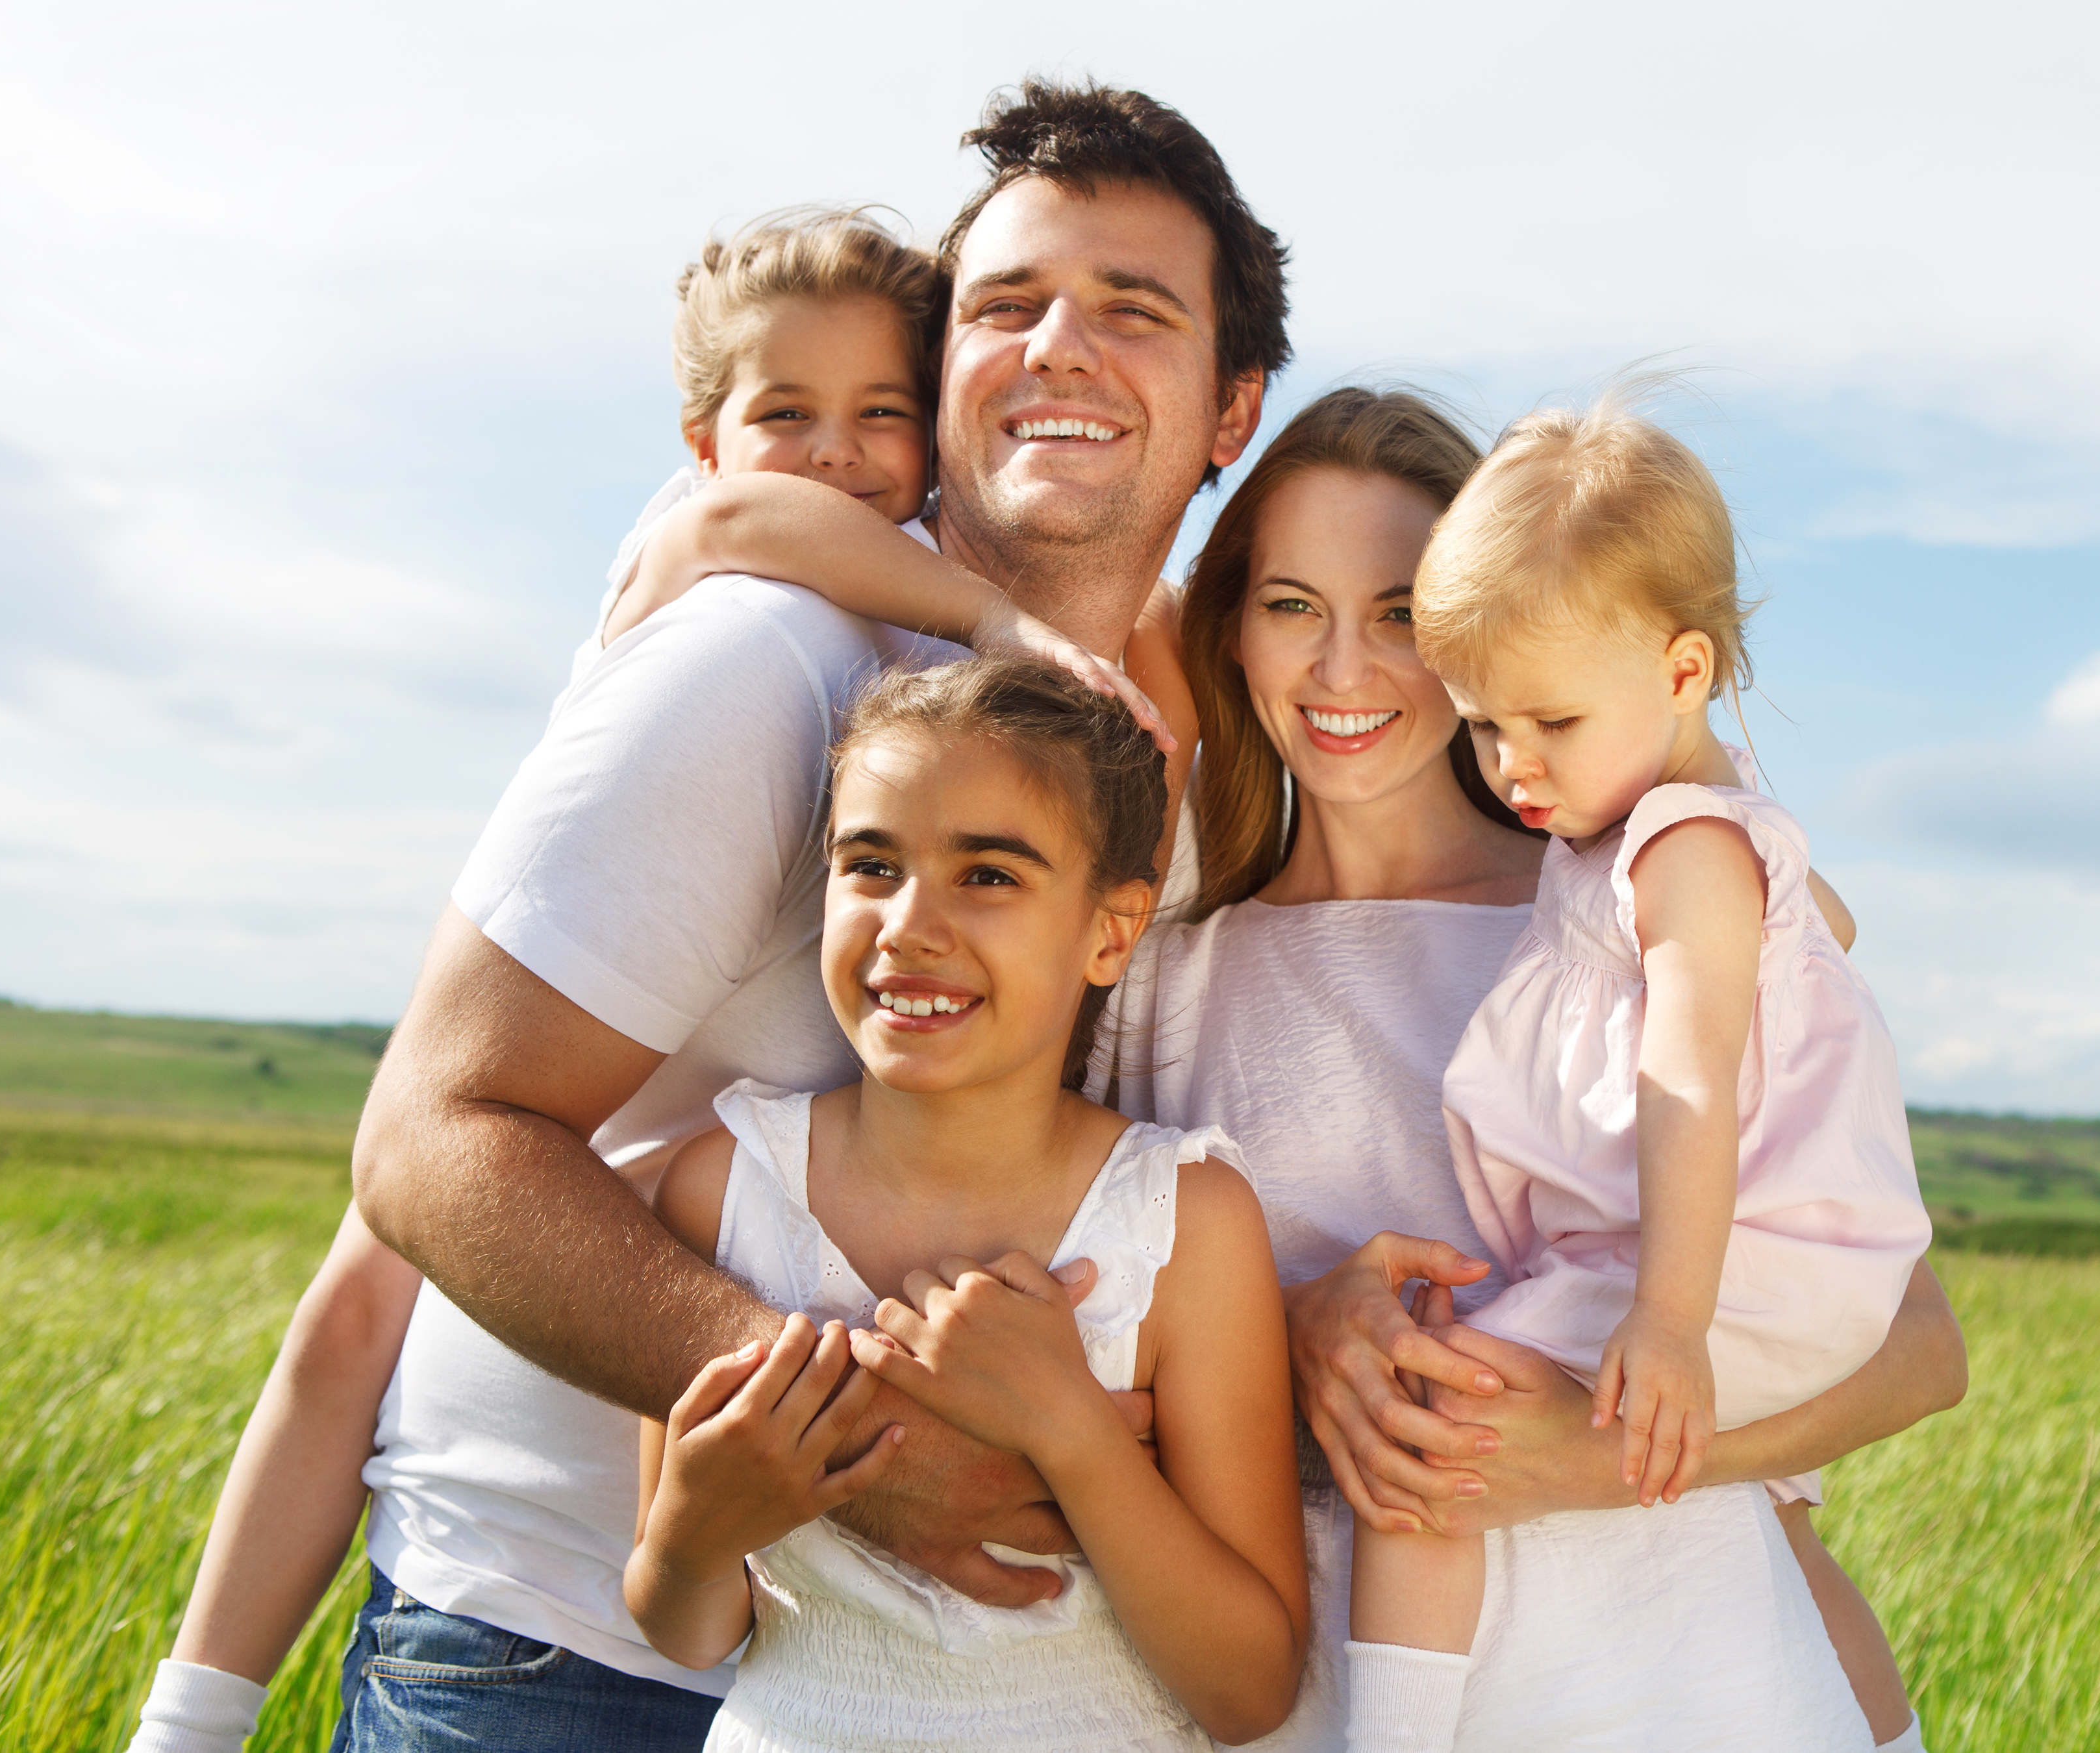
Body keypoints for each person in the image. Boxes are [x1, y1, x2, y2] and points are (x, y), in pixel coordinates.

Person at [136, 73, 1286, 1745]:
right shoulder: (764, 664)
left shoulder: (1173, 752)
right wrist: (860, 1440)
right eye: (1005, 306)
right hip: (559, 1645)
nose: (1056, 351)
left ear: (1230, 405)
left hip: (926, 1691)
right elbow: (425, 1145)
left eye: (1133, 311)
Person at [1103, 386, 1962, 1751]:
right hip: (1345, 1696)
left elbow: (1920, 1344)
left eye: (1397, 612)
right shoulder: (1170, 973)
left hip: (1678, 1675)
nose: (1342, 670)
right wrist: (1293, 1331)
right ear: (1229, 625)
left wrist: (1596, 1461)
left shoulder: (1626, 908)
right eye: (1285, 604)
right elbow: (1105, 1337)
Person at [626, 660, 1307, 1749]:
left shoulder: (1185, 1222)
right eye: (872, 865)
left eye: (988, 876)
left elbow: (1251, 1691)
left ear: (1111, 932)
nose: (908, 924)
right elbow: (688, 1631)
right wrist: (695, 1537)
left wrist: (1068, 1424)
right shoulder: (723, 1188)